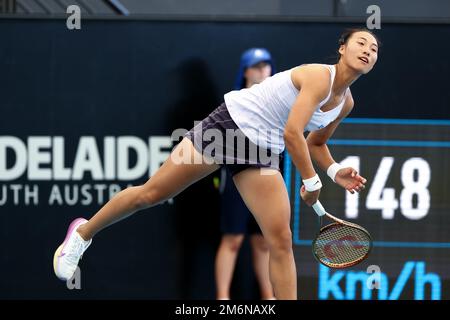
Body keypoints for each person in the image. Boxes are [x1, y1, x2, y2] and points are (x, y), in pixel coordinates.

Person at [53, 28, 379, 300]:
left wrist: (334, 170)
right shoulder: (318, 77)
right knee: (150, 194)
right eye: (360, 42)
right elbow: (294, 133)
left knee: (279, 239)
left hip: (264, 151)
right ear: (342, 48)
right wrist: (311, 182)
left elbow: (315, 142)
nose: (367, 50)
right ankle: (82, 233)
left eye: (374, 48)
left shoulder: (346, 103)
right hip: (228, 129)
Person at [215, 48, 275, 300]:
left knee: (263, 242)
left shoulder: (276, 100)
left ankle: (269, 297)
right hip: (236, 179)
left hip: (266, 177)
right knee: (234, 240)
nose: (263, 70)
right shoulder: (236, 100)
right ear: (246, 70)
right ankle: (223, 298)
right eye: (257, 65)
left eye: (266, 65)